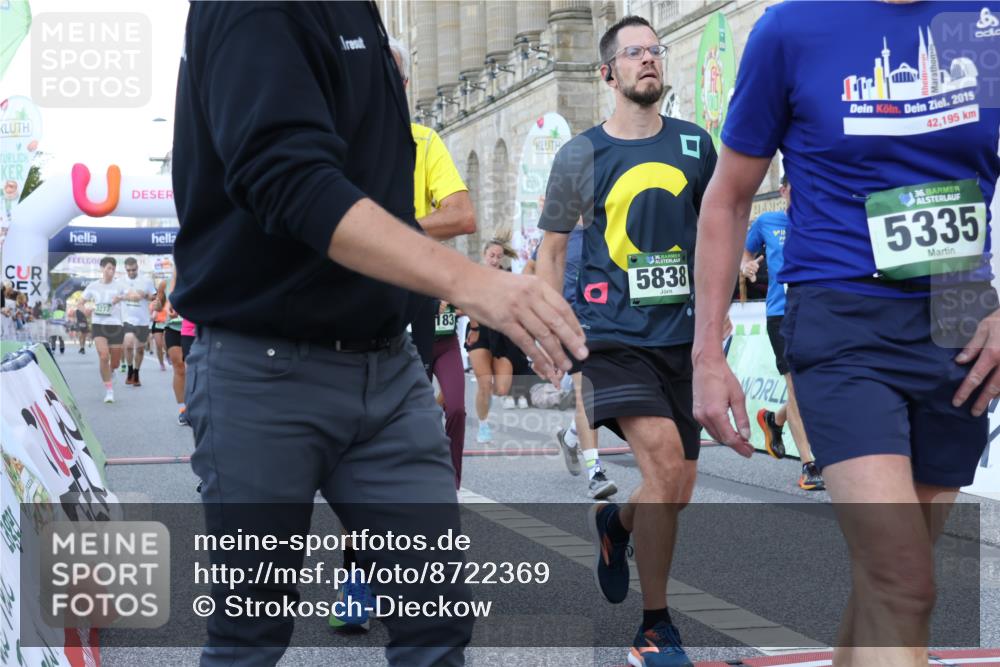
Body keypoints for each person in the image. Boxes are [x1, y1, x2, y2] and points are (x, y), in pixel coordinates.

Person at [171, 4, 585, 667]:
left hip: (388, 370)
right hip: (263, 371)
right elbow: (289, 179)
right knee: (250, 635)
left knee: (436, 623)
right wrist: (473, 282)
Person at [691, 3, 999, 665]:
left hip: (961, 315)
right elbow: (729, 198)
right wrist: (707, 352)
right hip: (845, 314)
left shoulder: (983, 21)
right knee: (904, 580)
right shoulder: (793, 28)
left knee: (891, 580)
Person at [535, 16, 747, 666]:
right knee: (663, 468)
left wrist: (720, 309)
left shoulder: (694, 144)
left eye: (655, 50)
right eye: (633, 53)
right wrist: (549, 327)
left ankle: (615, 523)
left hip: (682, 341)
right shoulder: (580, 154)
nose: (648, 59)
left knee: (676, 486)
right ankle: (655, 626)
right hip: (612, 337)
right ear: (608, 73)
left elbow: (719, 227)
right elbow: (552, 249)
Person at [740, 176, 824, 491]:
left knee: (814, 385)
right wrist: (746, 267)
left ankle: (774, 420)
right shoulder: (767, 222)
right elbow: (745, 253)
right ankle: (809, 464)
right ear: (784, 190)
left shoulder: (819, 221)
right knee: (797, 388)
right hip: (781, 314)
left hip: (817, 312)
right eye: (795, 189)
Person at [551, 221, 618, 499]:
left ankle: (570, 437)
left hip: (608, 320)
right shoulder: (560, 231)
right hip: (573, 324)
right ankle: (595, 474)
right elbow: (537, 269)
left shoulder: (609, 224)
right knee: (586, 393)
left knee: (600, 395)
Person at [81, 257, 126, 404]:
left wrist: (121, 297)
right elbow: (80, 303)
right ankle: (109, 391)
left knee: (115, 363)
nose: (111, 271)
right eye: (108, 268)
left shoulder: (119, 285)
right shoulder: (93, 286)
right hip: (99, 324)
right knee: (104, 356)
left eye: (113, 268)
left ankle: (111, 370)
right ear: (102, 268)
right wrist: (85, 310)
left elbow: (132, 295)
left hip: (116, 325)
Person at [120, 257, 157, 387]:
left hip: (142, 320)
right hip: (127, 319)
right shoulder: (120, 282)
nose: (131, 272)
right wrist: (127, 296)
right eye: (128, 270)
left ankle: (136, 373)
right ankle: (130, 369)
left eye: (133, 270)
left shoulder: (146, 281)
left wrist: (145, 295)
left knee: (140, 350)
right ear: (125, 269)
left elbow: (154, 297)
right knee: (129, 344)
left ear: (137, 267)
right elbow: (115, 297)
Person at [149, 280, 169, 371]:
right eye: (157, 294)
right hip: (157, 324)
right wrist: (153, 315)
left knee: (166, 344)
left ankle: (168, 354)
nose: (159, 295)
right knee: (158, 345)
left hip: (167, 324)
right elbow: (151, 315)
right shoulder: (154, 303)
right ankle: (161, 363)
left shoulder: (168, 302)